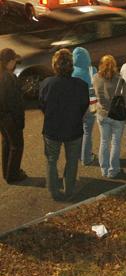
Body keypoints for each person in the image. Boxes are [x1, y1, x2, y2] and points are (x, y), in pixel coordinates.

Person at [39, 49, 89, 200]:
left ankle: (54, 191)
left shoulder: (46, 84)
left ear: (55, 66)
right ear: (71, 66)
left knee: (51, 160)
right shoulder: (81, 85)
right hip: (73, 128)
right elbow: (83, 106)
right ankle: (69, 190)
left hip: (52, 129)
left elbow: (42, 105)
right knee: (72, 160)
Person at [93, 55, 126, 178]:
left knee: (104, 141)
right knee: (115, 143)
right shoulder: (119, 80)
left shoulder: (95, 78)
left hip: (102, 114)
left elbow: (93, 95)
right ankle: (113, 170)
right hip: (117, 116)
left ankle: (104, 170)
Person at [0, 48, 27, 184]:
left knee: (7, 143)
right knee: (17, 145)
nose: (15, 63)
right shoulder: (8, 77)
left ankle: (7, 172)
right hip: (10, 117)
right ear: (9, 62)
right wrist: (19, 121)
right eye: (14, 60)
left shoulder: (2, 74)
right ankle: (13, 175)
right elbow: (13, 102)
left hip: (2, 117)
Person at [72, 47, 97, 166]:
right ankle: (86, 157)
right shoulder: (92, 70)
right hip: (89, 105)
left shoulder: (72, 72)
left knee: (78, 131)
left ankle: (78, 155)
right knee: (87, 131)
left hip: (76, 107)